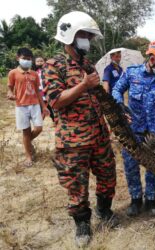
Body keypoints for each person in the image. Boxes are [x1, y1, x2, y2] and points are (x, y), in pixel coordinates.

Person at [43, 11, 117, 247]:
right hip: (73, 141)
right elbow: (55, 100)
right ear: (71, 35)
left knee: (108, 175)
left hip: (99, 135)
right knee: (77, 184)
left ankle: (104, 210)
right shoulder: (53, 66)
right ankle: (82, 223)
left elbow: (99, 95)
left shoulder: (87, 64)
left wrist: (117, 111)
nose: (89, 40)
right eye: (85, 35)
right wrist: (84, 85)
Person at [112, 38, 155, 217]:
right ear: (152, 59)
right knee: (131, 166)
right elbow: (116, 90)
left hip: (153, 134)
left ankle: (150, 200)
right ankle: (135, 200)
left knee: (154, 168)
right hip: (131, 132)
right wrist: (119, 104)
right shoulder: (132, 73)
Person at [7, 48, 49, 167]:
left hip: (35, 104)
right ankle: (28, 156)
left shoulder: (34, 74)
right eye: (24, 59)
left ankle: (27, 143)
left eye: (29, 59)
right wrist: (10, 93)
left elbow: (38, 91)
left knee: (39, 128)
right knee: (26, 131)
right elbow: (10, 87)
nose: (26, 61)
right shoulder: (13, 73)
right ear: (18, 58)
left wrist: (44, 106)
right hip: (21, 106)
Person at [35, 56, 55, 122]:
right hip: (40, 93)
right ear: (35, 63)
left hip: (47, 92)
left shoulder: (47, 71)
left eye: (41, 61)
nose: (39, 62)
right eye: (38, 61)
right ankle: (39, 122)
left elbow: (51, 81)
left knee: (51, 107)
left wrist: (46, 89)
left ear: (44, 62)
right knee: (43, 107)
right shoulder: (35, 72)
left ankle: (55, 120)